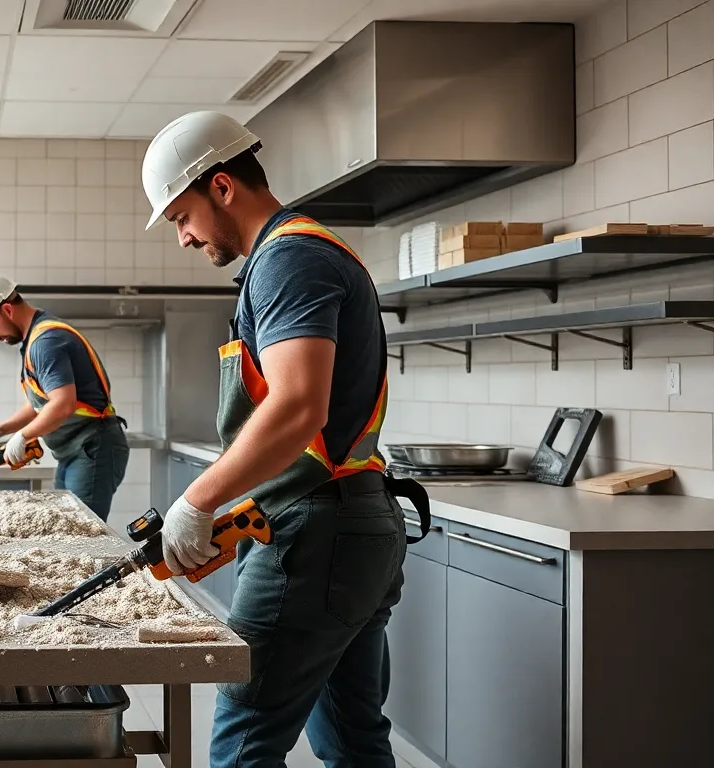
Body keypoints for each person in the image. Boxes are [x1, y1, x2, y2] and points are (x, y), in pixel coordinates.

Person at [141, 111, 426, 767]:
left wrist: (196, 501)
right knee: (353, 740)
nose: (182, 237)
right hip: (355, 526)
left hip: (317, 537)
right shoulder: (299, 253)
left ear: (220, 187)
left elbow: (298, 406)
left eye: (181, 217)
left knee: (244, 741)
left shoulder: (288, 257)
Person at [0, 275, 130, 522]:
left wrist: (24, 436)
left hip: (92, 450)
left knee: (80, 535)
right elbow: (40, 404)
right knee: (67, 529)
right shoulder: (36, 338)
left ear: (7, 309)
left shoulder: (45, 342)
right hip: (74, 452)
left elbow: (62, 404)